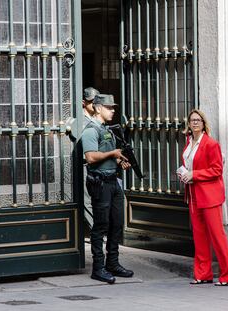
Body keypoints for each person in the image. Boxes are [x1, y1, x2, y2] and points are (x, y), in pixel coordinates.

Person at [178, 109, 228, 286]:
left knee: (217, 236)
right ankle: (203, 274)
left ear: (204, 123)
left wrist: (194, 174)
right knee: (199, 236)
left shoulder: (211, 144)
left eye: (198, 120)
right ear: (188, 124)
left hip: (210, 196)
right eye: (192, 120)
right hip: (193, 195)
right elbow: (189, 165)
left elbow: (217, 170)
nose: (195, 123)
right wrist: (184, 173)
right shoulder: (189, 143)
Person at [82, 94, 134, 284]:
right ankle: (98, 268)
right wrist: (113, 153)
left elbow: (107, 155)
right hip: (101, 183)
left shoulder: (107, 130)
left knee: (117, 223)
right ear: (97, 108)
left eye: (113, 107)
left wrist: (118, 160)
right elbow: (90, 158)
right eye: (109, 107)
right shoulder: (91, 131)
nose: (113, 110)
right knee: (101, 226)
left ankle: (113, 263)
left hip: (113, 182)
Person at [82, 87, 100, 229]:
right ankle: (96, 229)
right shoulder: (80, 120)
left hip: (98, 163)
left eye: (96, 101)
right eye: (91, 102)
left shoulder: (98, 119)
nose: (94, 104)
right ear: (84, 102)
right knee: (86, 198)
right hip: (84, 163)